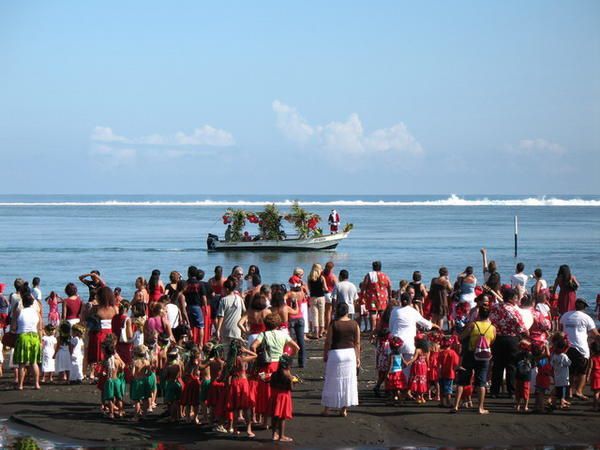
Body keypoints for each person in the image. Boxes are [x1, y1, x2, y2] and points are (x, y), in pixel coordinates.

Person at [453, 297, 496, 414]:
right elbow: (492, 341)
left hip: (471, 353)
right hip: (484, 355)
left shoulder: (473, 325)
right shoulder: (492, 328)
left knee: (462, 380)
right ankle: (480, 407)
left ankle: (456, 405)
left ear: (479, 314)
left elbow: (461, 337)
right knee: (481, 382)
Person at [321, 303, 360, 417]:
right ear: (347, 311)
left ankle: (327, 409)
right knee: (348, 381)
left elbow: (328, 341)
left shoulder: (334, 324)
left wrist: (325, 354)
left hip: (336, 353)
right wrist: (358, 357)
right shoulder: (354, 324)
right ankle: (343, 409)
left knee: (331, 380)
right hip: (349, 354)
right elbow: (357, 342)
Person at [489, 288, 528, 398]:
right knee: (511, 365)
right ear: (511, 299)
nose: (517, 300)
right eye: (515, 298)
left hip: (497, 338)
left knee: (497, 365)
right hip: (511, 339)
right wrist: (526, 333)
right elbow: (520, 326)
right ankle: (511, 391)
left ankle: (494, 391)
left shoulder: (495, 307)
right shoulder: (513, 310)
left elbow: (491, 319)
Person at [389, 293, 438, 379]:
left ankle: (395, 389)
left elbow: (391, 326)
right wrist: (434, 325)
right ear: (410, 301)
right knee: (407, 371)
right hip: (409, 343)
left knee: (395, 368)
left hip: (395, 342)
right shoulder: (412, 311)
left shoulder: (394, 311)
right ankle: (405, 388)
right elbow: (425, 323)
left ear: (400, 301)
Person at [559, 298, 599, 399]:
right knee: (582, 372)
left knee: (570, 371)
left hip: (567, 347)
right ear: (584, 307)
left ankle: (570, 391)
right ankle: (579, 391)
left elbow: (560, 330)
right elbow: (595, 334)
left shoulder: (565, 315)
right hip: (581, 348)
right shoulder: (586, 318)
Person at [13, 284, 43, 390]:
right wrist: (40, 340)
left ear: (23, 302)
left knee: (22, 363)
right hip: (34, 337)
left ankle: (20, 385)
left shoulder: (19, 311)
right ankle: (36, 384)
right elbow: (40, 328)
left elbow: (13, 327)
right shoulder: (36, 312)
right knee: (33, 362)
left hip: (22, 337)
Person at [86, 286, 118, 379]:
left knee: (96, 353)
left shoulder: (96, 308)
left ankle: (93, 372)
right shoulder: (114, 308)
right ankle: (105, 370)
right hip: (110, 332)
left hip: (98, 332)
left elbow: (89, 320)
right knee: (108, 352)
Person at [216, 278, 246, 349]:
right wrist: (244, 325)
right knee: (235, 351)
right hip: (237, 330)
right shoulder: (239, 299)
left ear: (227, 289)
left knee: (227, 352)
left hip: (226, 330)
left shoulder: (223, 300)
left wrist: (218, 330)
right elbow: (245, 313)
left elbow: (221, 317)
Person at [362, 261, 392, 333]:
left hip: (372, 297)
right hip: (383, 297)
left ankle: (373, 329)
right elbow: (389, 286)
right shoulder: (385, 276)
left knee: (373, 312)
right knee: (382, 312)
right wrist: (390, 296)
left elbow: (364, 286)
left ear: (373, 267)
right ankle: (382, 328)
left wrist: (363, 295)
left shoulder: (369, 275)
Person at [184, 266, 206, 346]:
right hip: (197, 306)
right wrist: (205, 307)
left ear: (188, 273)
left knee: (189, 326)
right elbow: (203, 297)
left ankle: (190, 343)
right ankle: (200, 344)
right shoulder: (199, 284)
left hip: (187, 307)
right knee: (200, 326)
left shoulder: (185, 283)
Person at [285, 285, 306, 367]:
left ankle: (289, 361)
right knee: (301, 342)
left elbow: (284, 298)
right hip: (300, 317)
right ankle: (302, 363)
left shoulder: (289, 294)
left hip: (291, 318)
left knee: (290, 341)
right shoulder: (301, 294)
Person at [307, 263, 327, 339]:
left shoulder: (309, 277)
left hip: (313, 297)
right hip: (321, 297)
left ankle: (316, 333)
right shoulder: (322, 278)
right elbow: (325, 288)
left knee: (315, 316)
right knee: (321, 315)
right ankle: (321, 333)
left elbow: (309, 288)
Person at [322, 262, 337, 331]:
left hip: (322, 294)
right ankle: (327, 328)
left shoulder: (321, 274)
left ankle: (323, 326)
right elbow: (337, 286)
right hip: (329, 294)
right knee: (328, 312)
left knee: (323, 312)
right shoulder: (332, 276)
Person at [587, 341, 600, 411]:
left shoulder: (592, 358)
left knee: (596, 392)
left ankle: (595, 406)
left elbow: (590, 368)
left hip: (595, 376)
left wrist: (588, 376)